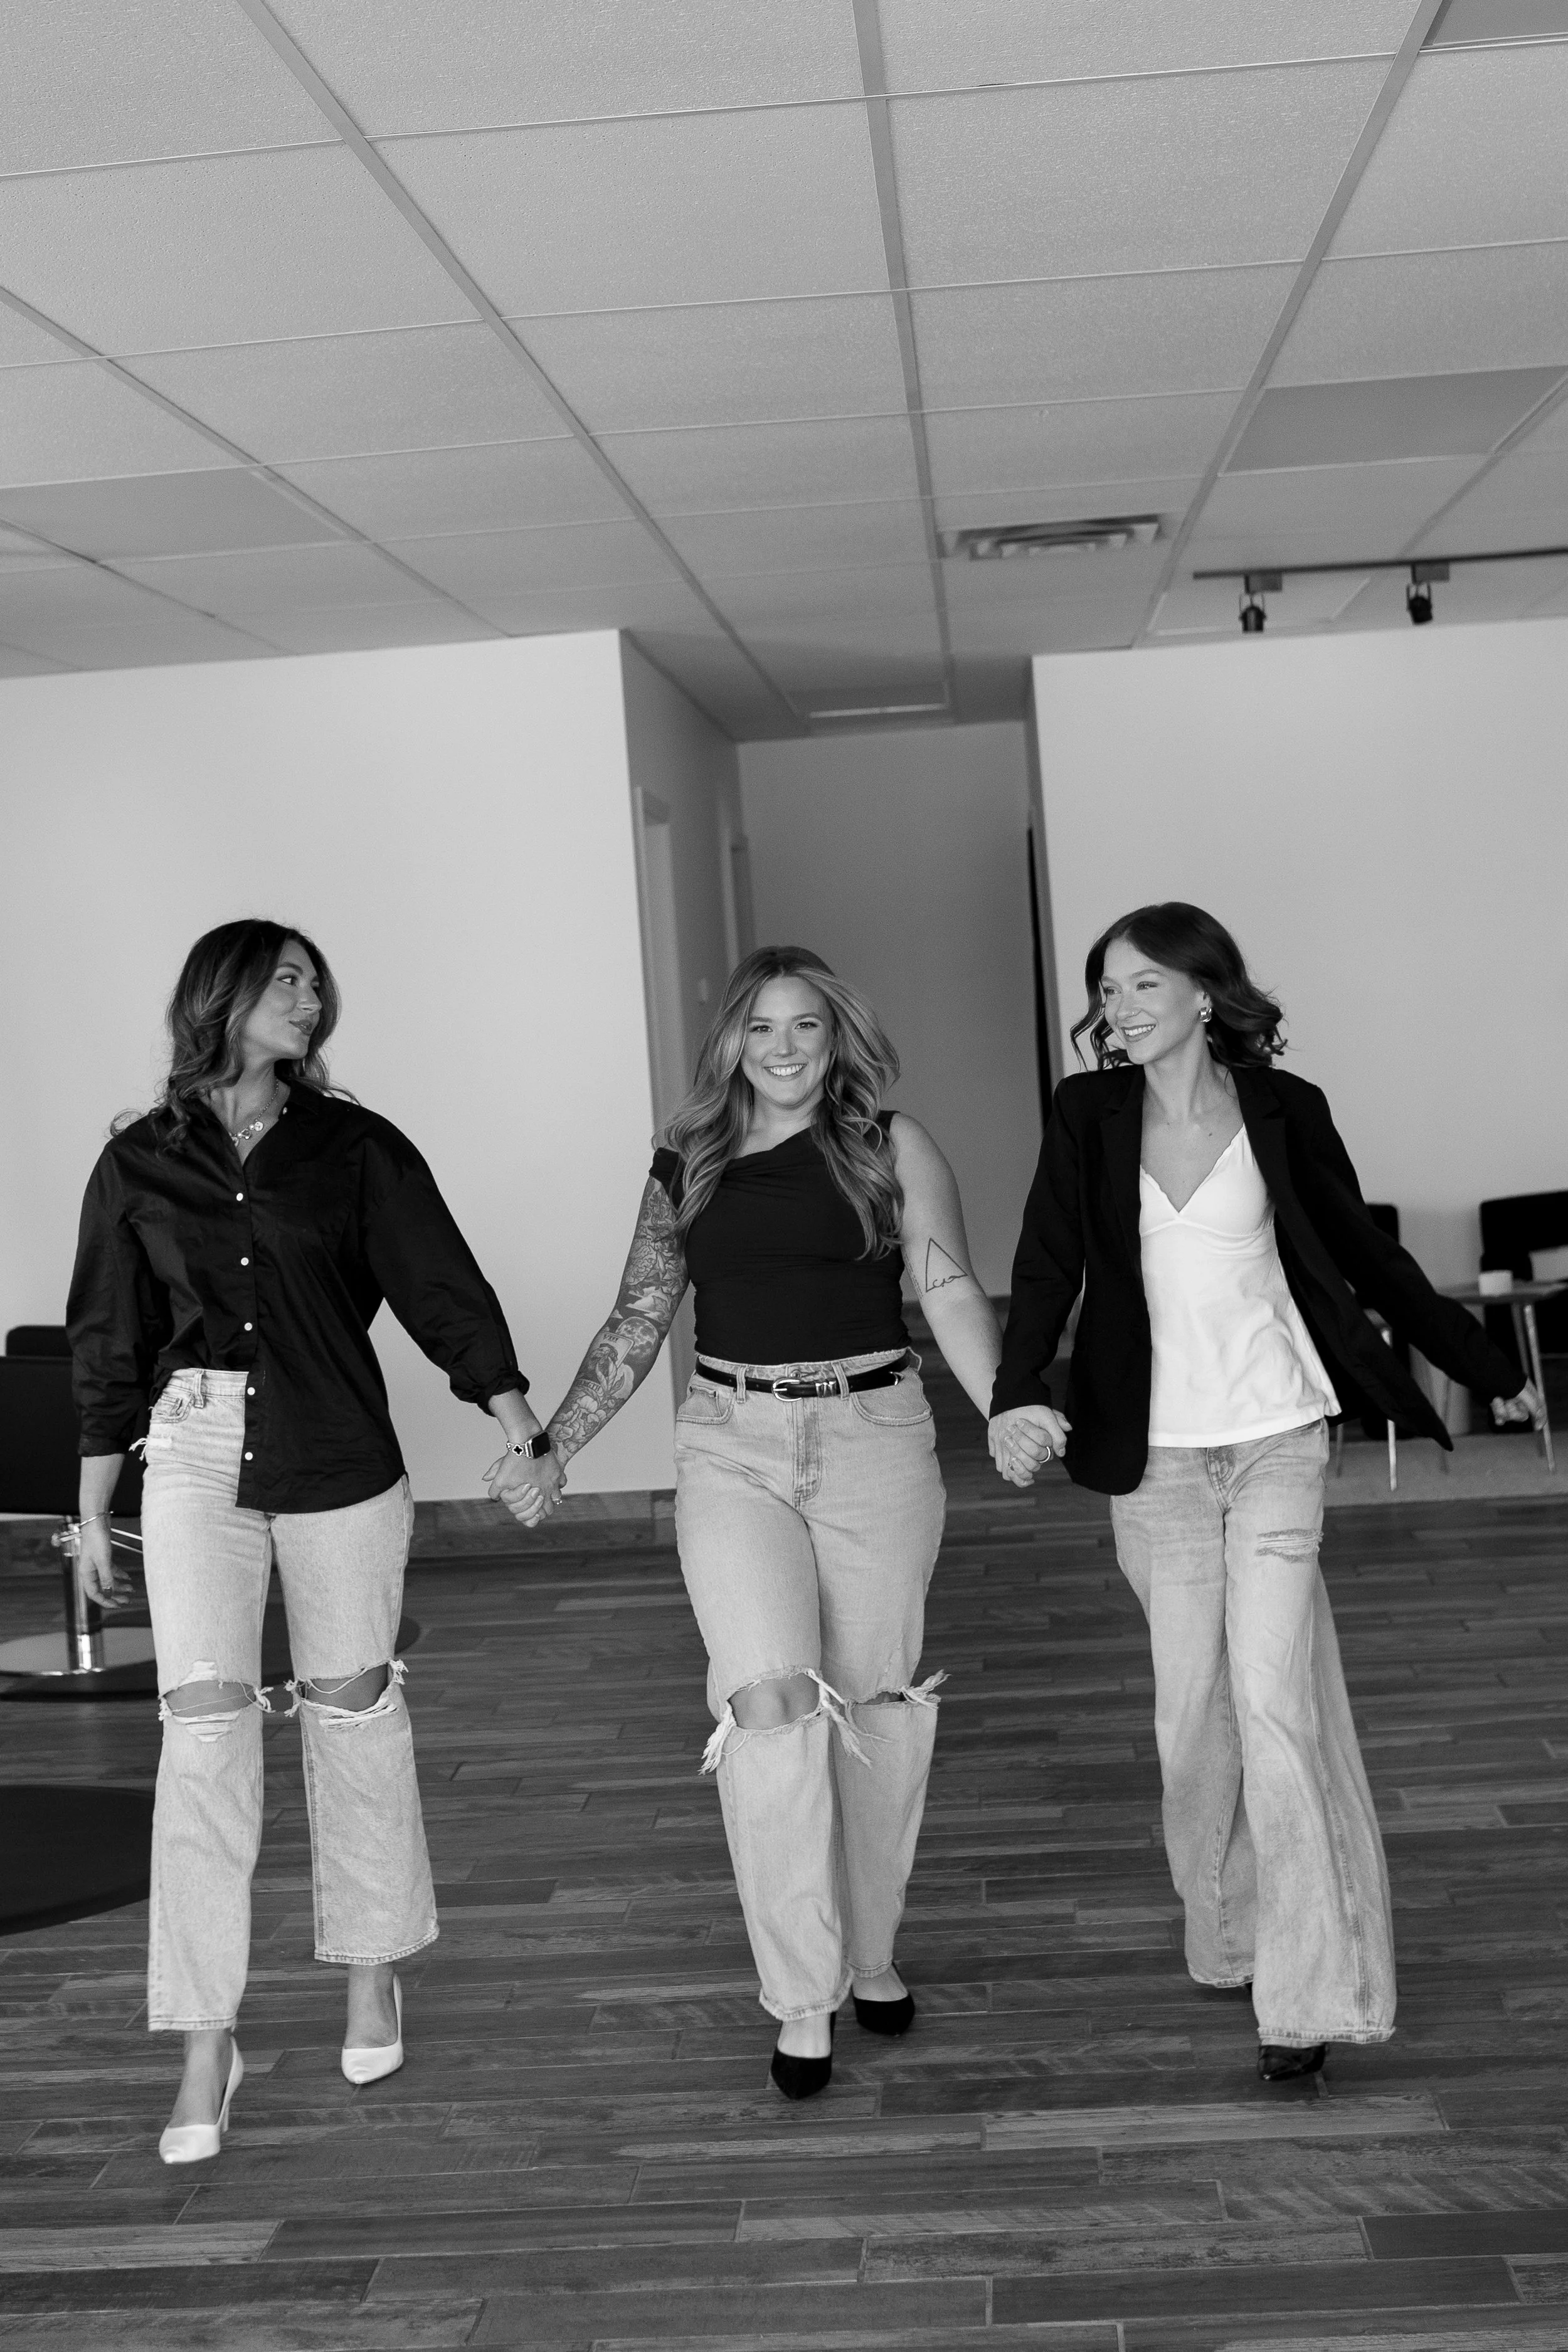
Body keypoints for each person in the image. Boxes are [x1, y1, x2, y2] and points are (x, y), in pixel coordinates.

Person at [990, 903, 1540, 2083]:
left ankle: (1304, 1993)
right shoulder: (1088, 1115)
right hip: (1156, 1457)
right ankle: (1229, 1921)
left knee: (1274, 1701)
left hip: (1279, 1438)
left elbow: (1368, 1259)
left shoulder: (1286, 1110)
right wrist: (1011, 1391)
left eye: (1144, 985)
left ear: (1203, 991)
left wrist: (1493, 1371)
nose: (1121, 1007)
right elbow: (1046, 1261)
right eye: (1109, 989)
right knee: (1193, 1720)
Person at [67, 919, 559, 2164]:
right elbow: (107, 1340)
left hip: (337, 1446)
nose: (309, 997)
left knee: (351, 1707)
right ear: (219, 999)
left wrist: (516, 1413)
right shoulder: (136, 1163)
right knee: (204, 1729)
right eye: (283, 979)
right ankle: (202, 2041)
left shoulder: (354, 1149)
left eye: (313, 983)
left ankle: (369, 1971)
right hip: (189, 1449)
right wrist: (88, 1505)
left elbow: (437, 1281)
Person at [493, 946, 1002, 2099]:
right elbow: (638, 1315)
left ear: (837, 1039)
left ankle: (869, 1952)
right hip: (731, 1442)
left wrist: (1010, 1404)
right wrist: (554, 1443)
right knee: (769, 1700)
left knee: (872, 1703)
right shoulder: (691, 1159)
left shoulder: (889, 1144)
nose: (783, 1049)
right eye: (762, 1028)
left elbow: (951, 1285)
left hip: (876, 1434)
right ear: (732, 1040)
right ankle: (801, 1993)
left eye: (806, 1028)